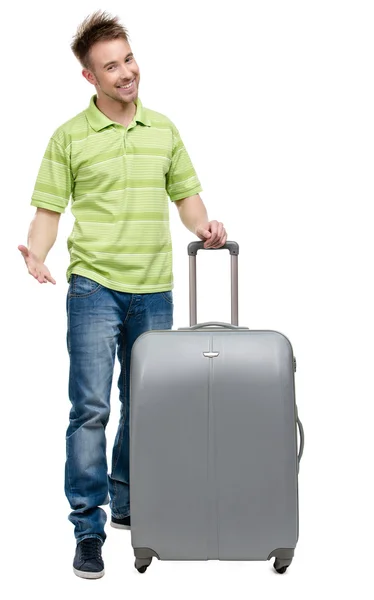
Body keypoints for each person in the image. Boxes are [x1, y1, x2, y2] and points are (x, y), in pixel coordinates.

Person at [18, 11, 227, 580]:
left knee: (146, 406)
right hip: (94, 288)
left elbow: (186, 198)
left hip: (154, 288)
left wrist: (205, 227)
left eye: (128, 59)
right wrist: (37, 254)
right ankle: (88, 527)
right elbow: (48, 213)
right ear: (90, 78)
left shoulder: (163, 129)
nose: (126, 72)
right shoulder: (69, 137)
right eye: (111, 66)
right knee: (91, 410)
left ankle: (128, 498)